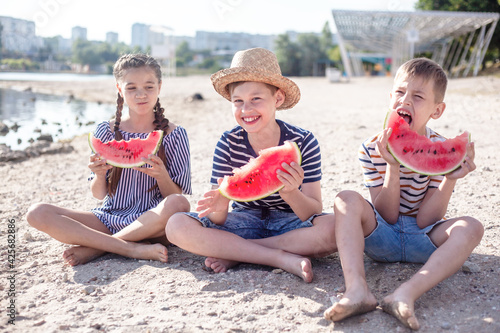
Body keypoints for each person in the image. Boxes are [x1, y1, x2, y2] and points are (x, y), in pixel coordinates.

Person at [323, 58, 484, 330]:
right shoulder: (371, 148)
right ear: (390, 97)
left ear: (437, 110)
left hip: (424, 239)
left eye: (418, 96)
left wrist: (449, 179)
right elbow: (386, 214)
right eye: (399, 92)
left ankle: (405, 293)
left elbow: (425, 220)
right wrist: (392, 167)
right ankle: (357, 290)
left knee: (472, 227)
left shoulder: (441, 149)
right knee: (345, 198)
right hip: (381, 236)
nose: (405, 101)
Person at [166, 48, 336, 282]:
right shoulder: (228, 142)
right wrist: (221, 202)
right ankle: (278, 257)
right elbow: (219, 220)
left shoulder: (303, 141)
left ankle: (238, 252)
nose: (246, 110)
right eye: (238, 101)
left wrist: (290, 193)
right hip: (243, 221)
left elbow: (313, 211)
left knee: (336, 228)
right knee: (176, 225)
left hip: (289, 224)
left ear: (277, 98)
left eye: (256, 99)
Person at [27, 53, 192, 266]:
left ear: (159, 87)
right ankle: (129, 247)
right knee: (37, 213)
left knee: (180, 203)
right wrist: (99, 174)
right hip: (108, 217)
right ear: (119, 89)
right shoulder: (104, 130)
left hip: (153, 221)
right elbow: (98, 194)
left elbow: (175, 195)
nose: (141, 94)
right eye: (131, 87)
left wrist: (162, 176)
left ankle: (97, 247)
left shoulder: (174, 134)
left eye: (149, 87)